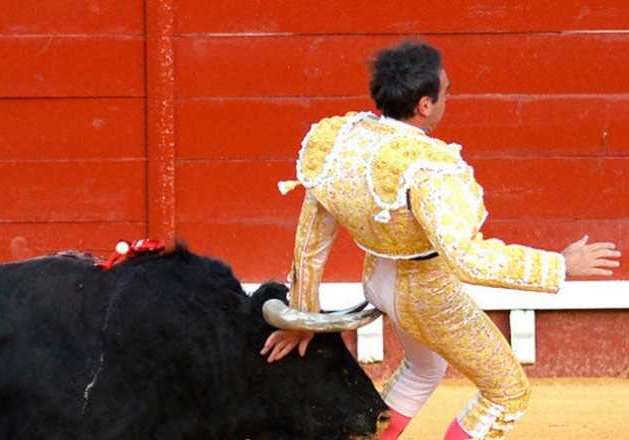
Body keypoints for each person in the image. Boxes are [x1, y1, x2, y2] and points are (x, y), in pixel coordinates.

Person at [259, 41, 621, 439]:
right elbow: (467, 258)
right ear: (425, 105)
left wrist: (304, 311)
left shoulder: (341, 139)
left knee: (423, 369)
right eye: (446, 91)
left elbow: (313, 235)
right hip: (426, 293)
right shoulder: (431, 166)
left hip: (377, 279)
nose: (450, 98)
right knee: (506, 394)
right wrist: (560, 265)